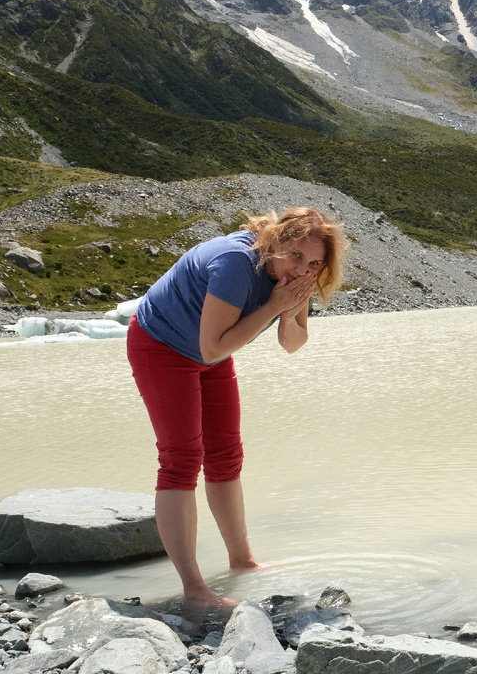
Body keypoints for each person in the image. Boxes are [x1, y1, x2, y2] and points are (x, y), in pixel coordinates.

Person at [126, 206, 347, 607]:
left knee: (226, 455)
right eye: (296, 255)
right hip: (161, 344)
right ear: (276, 241)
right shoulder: (235, 263)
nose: (303, 268)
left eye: (314, 262)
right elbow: (214, 345)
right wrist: (273, 306)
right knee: (181, 457)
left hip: (209, 353)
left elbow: (292, 343)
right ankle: (195, 590)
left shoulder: (297, 275)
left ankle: (242, 562)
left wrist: (290, 307)